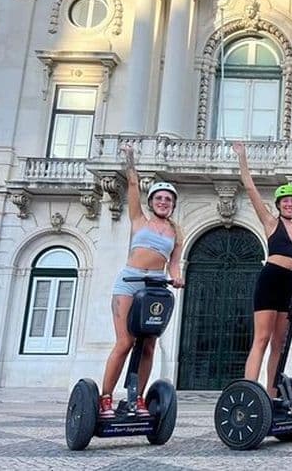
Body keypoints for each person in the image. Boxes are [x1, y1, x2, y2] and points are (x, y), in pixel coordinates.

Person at [233, 142, 292, 395]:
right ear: (278, 204)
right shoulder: (270, 222)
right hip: (270, 279)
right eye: (285, 201)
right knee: (261, 339)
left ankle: (271, 394)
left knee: (279, 343)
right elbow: (250, 188)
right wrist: (242, 158)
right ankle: (249, 390)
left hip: (288, 283)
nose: (290, 205)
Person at [99, 145, 185, 418]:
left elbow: (173, 262)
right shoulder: (139, 219)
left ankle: (137, 399)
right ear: (151, 202)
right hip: (129, 282)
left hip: (156, 287)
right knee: (125, 341)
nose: (163, 202)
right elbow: (133, 183)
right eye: (159, 198)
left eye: (168, 200)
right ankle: (106, 398)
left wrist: (177, 277)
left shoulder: (175, 231)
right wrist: (129, 157)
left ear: (172, 204)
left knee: (148, 343)